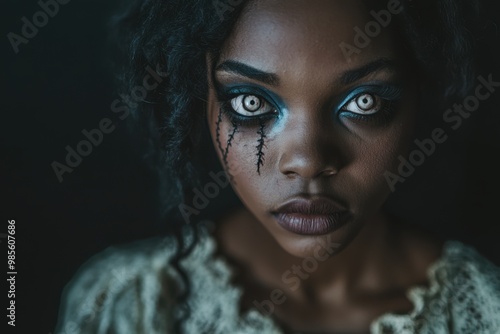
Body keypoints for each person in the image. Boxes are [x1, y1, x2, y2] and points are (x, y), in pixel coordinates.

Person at [55, 0, 500, 333]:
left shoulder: (483, 313)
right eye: (252, 102)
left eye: (364, 102)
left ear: (416, 96)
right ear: (203, 97)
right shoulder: (124, 306)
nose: (307, 162)